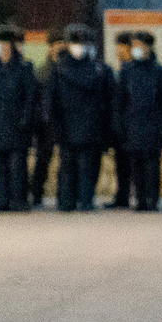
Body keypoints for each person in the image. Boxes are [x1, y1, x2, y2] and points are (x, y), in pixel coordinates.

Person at [44, 24, 117, 212]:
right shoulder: (99, 69)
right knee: (83, 167)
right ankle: (82, 200)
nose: (79, 47)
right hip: (82, 127)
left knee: (73, 167)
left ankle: (70, 201)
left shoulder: (59, 68)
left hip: (73, 126)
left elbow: (50, 100)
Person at [110, 31, 162, 211]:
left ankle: (152, 199)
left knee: (152, 167)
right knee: (136, 167)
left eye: (141, 46)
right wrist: (120, 126)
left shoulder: (160, 72)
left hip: (153, 127)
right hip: (132, 127)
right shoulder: (127, 72)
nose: (137, 50)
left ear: (149, 48)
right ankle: (139, 199)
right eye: (135, 46)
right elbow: (119, 103)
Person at [0, 27, 38, 212]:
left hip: (17, 126)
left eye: (5, 44)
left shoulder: (24, 68)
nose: (2, 48)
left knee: (18, 166)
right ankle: (2, 200)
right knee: (0, 166)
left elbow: (30, 98)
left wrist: (25, 120)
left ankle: (18, 200)